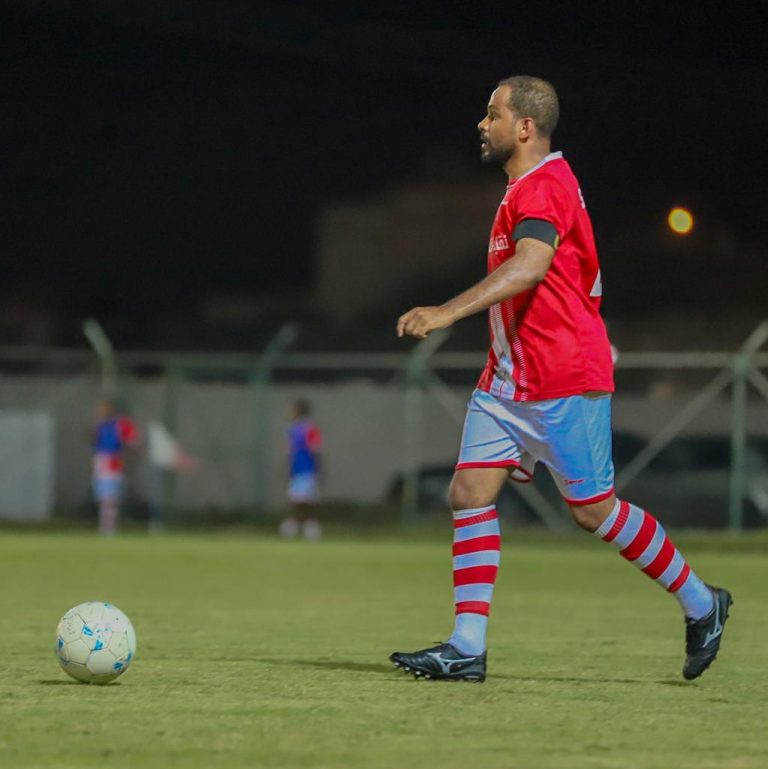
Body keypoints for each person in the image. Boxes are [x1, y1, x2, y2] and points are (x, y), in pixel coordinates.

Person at [390, 76, 731, 683]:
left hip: (563, 377)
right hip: (508, 379)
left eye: (492, 114)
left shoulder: (545, 184)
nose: (482, 124)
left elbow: (531, 265)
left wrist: (445, 312)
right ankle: (467, 647)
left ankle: (703, 603)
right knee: (469, 493)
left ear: (524, 126)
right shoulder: (524, 187)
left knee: (594, 512)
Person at [91, 398, 139, 536]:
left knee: (110, 498)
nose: (100, 412)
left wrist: (129, 450)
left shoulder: (120, 424)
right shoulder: (100, 426)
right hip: (101, 461)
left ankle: (109, 527)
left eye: (103, 409)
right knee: (103, 498)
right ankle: (105, 526)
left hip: (113, 461)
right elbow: (96, 446)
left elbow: (134, 440)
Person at [280, 399, 323, 540]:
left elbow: (315, 450)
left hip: (307, 469)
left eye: (292, 409)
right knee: (297, 500)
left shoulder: (310, 428)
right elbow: (290, 452)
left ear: (299, 411)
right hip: (297, 469)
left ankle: (309, 527)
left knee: (307, 501)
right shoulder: (292, 429)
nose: (290, 412)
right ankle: (298, 526)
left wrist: (317, 468)